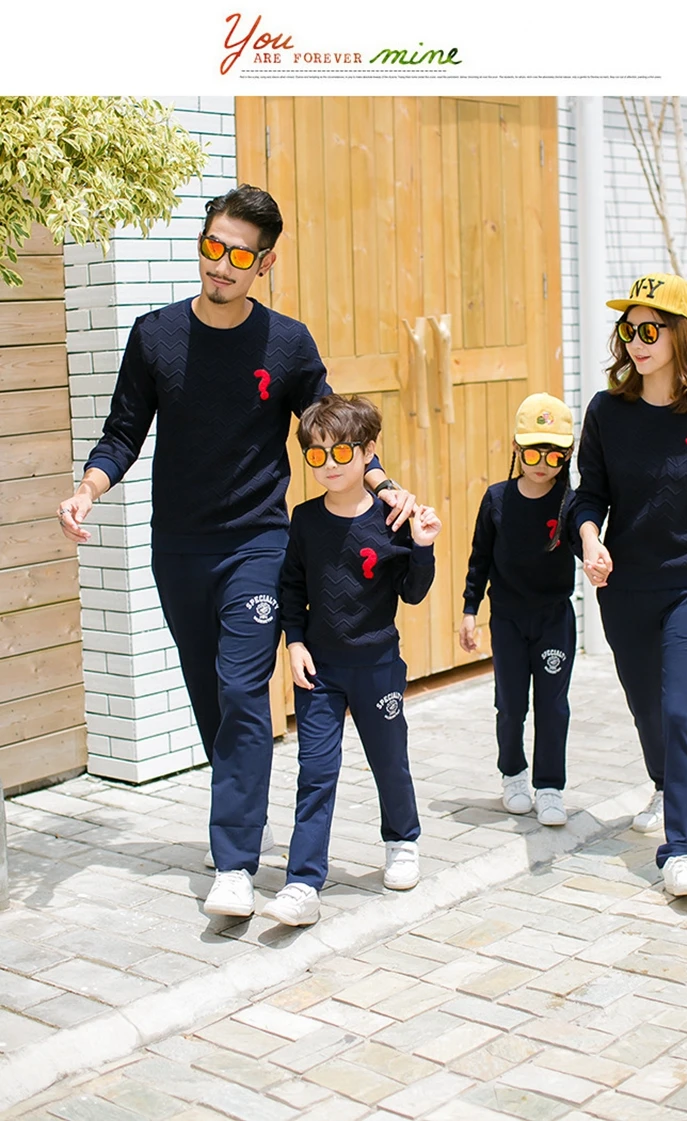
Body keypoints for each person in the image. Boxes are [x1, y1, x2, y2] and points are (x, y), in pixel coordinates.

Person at [55, 185, 414, 920]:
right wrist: (89, 489)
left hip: (258, 540)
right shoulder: (155, 336)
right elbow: (123, 431)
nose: (219, 264)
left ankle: (235, 863)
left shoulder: (287, 344)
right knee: (210, 696)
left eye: (238, 255)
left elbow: (331, 422)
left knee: (244, 690)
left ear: (265, 263)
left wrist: (382, 484)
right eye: (212, 246)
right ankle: (243, 817)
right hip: (179, 546)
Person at [574, 272, 687, 898]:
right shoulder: (606, 411)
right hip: (626, 589)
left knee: (680, 710)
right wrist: (590, 541)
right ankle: (664, 783)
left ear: (679, 336)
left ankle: (681, 851)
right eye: (629, 329)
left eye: (651, 330)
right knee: (648, 710)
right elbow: (588, 494)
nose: (637, 342)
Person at [263, 394, 441, 926]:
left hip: (378, 667)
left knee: (389, 760)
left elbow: (413, 593)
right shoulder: (304, 519)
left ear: (368, 452)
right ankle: (302, 882)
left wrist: (423, 546)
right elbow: (292, 587)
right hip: (320, 670)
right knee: (316, 771)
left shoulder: (391, 519)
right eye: (317, 455)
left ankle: (402, 841)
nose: (330, 465)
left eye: (342, 452)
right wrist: (294, 641)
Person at [459, 393, 577, 827]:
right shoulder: (497, 500)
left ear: (567, 455)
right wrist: (469, 610)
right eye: (532, 452)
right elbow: (480, 559)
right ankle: (513, 775)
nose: (542, 463)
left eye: (553, 455)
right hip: (508, 619)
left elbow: (588, 545)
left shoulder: (571, 503)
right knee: (510, 704)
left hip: (554, 619)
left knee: (553, 705)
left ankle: (550, 787)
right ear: (515, 448)